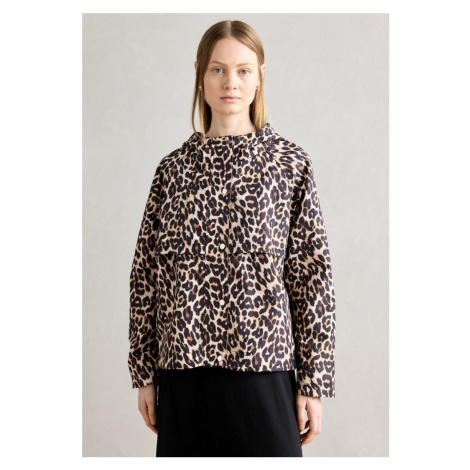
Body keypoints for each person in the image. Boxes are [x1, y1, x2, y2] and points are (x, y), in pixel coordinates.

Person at [128, 20, 336, 457]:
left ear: (260, 77)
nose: (231, 83)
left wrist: (313, 382)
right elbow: (145, 277)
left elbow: (312, 279)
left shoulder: (289, 165)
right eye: (218, 69)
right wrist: (144, 374)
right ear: (200, 75)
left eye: (243, 70)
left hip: (265, 371)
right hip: (184, 373)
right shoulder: (172, 171)